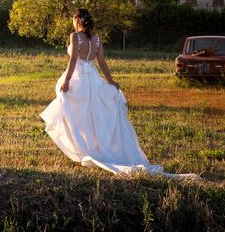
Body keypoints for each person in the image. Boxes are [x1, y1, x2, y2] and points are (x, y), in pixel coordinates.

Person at [40, 9, 172, 175]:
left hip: (79, 77)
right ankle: (92, 147)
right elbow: (101, 62)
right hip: (93, 79)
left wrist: (66, 80)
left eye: (74, 20)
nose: (73, 23)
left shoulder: (75, 36)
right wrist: (110, 81)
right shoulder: (97, 39)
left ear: (78, 20)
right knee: (94, 114)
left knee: (76, 112)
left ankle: (84, 148)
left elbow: (73, 59)